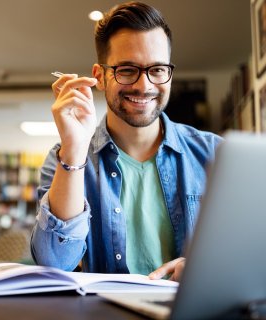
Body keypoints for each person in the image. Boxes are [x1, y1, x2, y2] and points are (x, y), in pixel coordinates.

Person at [30, 1, 222, 281]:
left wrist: (207, 266)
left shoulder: (215, 154)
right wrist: (74, 149)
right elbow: (54, 264)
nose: (144, 86)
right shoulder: (64, 159)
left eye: (156, 70)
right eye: (127, 70)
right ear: (100, 76)